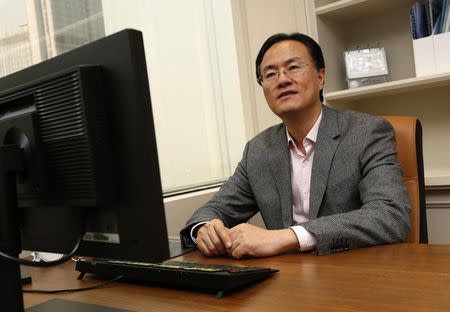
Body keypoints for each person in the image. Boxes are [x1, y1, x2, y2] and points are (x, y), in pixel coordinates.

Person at [180, 32, 410, 258]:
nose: (282, 80)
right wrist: (203, 229)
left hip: (355, 275)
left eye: (293, 67)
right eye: (270, 74)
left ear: (320, 77)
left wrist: (288, 237)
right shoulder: (258, 150)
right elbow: (215, 209)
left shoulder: (367, 132)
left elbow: (389, 215)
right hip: (287, 280)